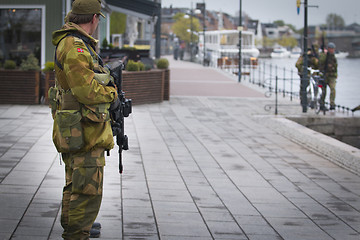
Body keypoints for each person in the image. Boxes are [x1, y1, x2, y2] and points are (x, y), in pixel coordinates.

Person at [50, 0, 118, 239]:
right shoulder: (75, 46)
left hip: (77, 128)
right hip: (83, 130)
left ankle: (75, 226)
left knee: (75, 181)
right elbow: (85, 90)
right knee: (87, 187)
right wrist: (112, 92)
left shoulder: (74, 42)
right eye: (98, 18)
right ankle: (77, 233)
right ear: (94, 18)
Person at [319, 42, 338, 110]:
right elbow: (321, 61)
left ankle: (332, 104)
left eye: (333, 49)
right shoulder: (324, 55)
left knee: (333, 89)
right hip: (324, 76)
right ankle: (322, 103)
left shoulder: (333, 57)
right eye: (331, 49)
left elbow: (335, 66)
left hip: (331, 76)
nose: (332, 50)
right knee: (323, 90)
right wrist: (325, 54)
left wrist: (336, 74)